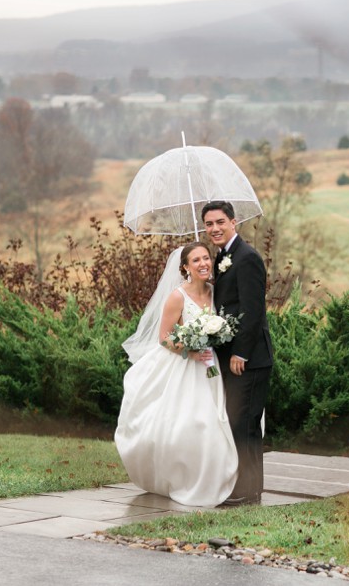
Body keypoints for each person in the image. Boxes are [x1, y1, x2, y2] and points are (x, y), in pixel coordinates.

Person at [115, 242, 238, 507]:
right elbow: (164, 338)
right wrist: (189, 351)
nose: (203, 263)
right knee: (188, 424)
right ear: (185, 268)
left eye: (206, 258)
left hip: (210, 367)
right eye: (196, 260)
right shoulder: (177, 297)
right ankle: (182, 477)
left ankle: (213, 477)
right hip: (184, 367)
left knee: (213, 421)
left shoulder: (217, 293)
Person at [202, 200, 274, 506]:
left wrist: (241, 354)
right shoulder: (222, 257)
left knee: (245, 425)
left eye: (220, 222)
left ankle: (248, 491)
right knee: (237, 423)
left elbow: (253, 311)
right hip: (230, 357)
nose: (214, 228)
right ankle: (247, 487)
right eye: (209, 224)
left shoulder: (247, 258)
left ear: (234, 223)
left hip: (250, 360)